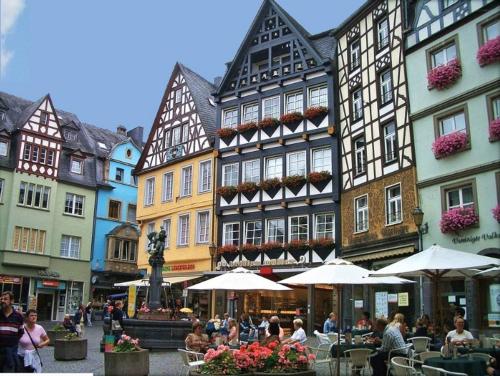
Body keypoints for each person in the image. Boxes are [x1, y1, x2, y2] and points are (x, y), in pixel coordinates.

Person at [0, 291, 24, 372]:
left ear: (12, 301)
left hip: (11, 353)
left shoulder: (18, 316)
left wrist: (11, 342)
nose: (2, 300)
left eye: (5, 299)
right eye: (1, 299)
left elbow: (20, 332)